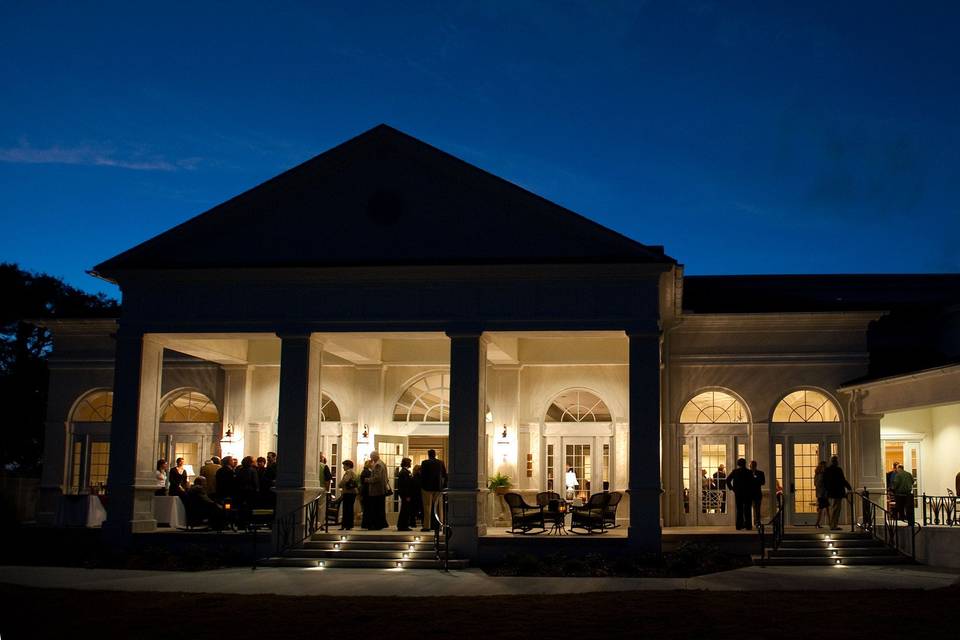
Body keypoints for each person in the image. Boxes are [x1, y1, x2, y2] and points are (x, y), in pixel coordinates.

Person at [419, 449, 448, 531]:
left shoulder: (424, 463)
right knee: (439, 508)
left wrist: (422, 485)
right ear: (435, 455)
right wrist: (443, 486)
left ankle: (426, 526)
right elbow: (445, 475)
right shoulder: (440, 462)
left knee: (427, 507)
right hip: (438, 488)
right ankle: (440, 525)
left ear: (428, 455)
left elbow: (422, 475)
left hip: (426, 487)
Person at [822, 455, 852, 530]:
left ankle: (832, 525)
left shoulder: (827, 470)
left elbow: (824, 482)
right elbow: (842, 480)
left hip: (830, 493)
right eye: (837, 461)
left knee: (832, 509)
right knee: (836, 510)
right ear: (836, 461)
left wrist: (826, 491)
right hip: (838, 493)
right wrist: (849, 487)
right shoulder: (838, 470)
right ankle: (833, 525)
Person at [726, 458, 754, 530]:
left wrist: (732, 488)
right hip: (748, 493)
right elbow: (752, 483)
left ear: (738, 464)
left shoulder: (735, 471)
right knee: (747, 509)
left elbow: (727, 480)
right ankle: (748, 526)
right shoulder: (749, 472)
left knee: (739, 510)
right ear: (745, 463)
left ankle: (739, 526)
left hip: (738, 493)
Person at [363, 451, 389, 530]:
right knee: (379, 508)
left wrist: (367, 480)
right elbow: (386, 478)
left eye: (371, 457)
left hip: (376, 490)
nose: (371, 459)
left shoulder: (378, 465)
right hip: (380, 490)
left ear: (374, 456)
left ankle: (377, 525)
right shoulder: (382, 463)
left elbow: (377, 478)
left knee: (376, 508)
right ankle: (380, 524)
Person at [396, 457, 416, 531]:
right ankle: (403, 526)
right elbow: (405, 485)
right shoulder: (404, 472)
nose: (410, 464)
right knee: (405, 510)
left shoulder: (404, 471)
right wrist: (407, 495)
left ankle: (402, 525)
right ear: (407, 463)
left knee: (404, 509)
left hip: (404, 494)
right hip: (405, 494)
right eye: (410, 462)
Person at [339, 460, 358, 530]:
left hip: (349, 493)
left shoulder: (349, 472)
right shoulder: (352, 472)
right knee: (349, 509)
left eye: (344, 465)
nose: (343, 467)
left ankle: (346, 525)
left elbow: (345, 480)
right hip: (351, 493)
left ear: (348, 466)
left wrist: (339, 485)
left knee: (347, 509)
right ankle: (348, 525)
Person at [814, 460, 829, 528]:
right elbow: (821, 484)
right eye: (825, 466)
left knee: (823, 508)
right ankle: (818, 523)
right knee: (823, 509)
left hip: (820, 494)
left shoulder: (817, 474)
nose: (826, 467)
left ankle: (818, 523)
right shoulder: (821, 475)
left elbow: (815, 484)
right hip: (822, 494)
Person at [749, 460, 766, 525]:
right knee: (748, 509)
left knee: (757, 509)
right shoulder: (747, 473)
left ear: (755, 465)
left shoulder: (760, 473)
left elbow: (763, 482)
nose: (751, 466)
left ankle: (757, 522)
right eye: (751, 465)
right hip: (749, 494)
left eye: (753, 465)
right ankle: (749, 522)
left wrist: (755, 479)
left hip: (757, 493)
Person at [359, 459, 373, 529]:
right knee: (367, 509)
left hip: (364, 492)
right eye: (372, 463)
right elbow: (366, 482)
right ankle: (367, 524)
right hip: (367, 492)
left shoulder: (365, 471)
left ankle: (365, 524)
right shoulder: (367, 472)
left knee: (366, 509)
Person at [411, 463, 424, 528]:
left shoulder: (413, 477)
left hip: (414, 496)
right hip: (419, 496)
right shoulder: (419, 478)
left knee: (413, 511)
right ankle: (422, 523)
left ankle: (413, 523)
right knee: (421, 510)